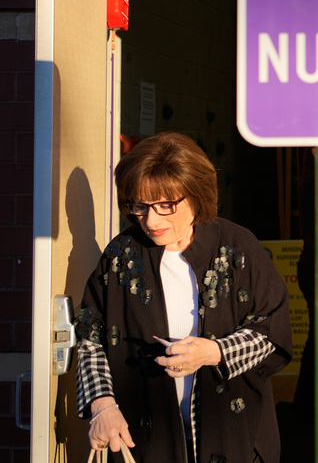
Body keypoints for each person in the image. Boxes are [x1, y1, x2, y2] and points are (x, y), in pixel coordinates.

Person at [76, 132, 293, 463]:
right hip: (146, 440)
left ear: (196, 195)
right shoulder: (121, 256)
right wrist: (102, 403)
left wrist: (215, 352)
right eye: (139, 206)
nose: (151, 220)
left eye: (166, 205)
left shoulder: (237, 247)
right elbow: (91, 336)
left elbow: (272, 329)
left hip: (234, 436)